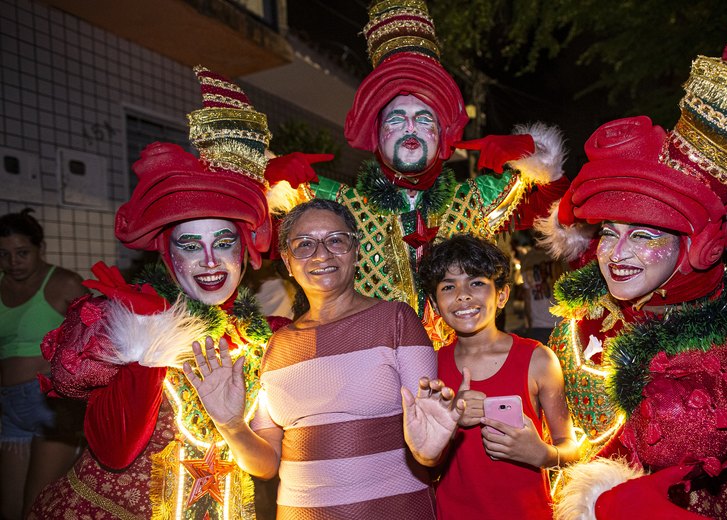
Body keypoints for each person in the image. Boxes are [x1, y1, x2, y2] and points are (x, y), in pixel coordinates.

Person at [537, 1, 727, 518]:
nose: (616, 253)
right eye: (610, 233)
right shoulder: (592, 305)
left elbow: (681, 437)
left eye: (643, 235)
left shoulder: (697, 327)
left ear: (692, 247)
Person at [29, 67, 282, 519]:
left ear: (244, 253)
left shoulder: (260, 339)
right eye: (191, 245)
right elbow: (115, 451)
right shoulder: (132, 325)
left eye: (223, 243)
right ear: (169, 257)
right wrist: (148, 344)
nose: (209, 260)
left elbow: (265, 467)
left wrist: (230, 424)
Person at [267, 0, 568, 345]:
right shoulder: (337, 205)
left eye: (424, 119)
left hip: (462, 374)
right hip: (371, 375)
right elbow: (251, 227)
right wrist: (268, 181)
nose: (411, 128)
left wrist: (537, 158)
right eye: (396, 119)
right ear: (376, 135)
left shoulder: (474, 198)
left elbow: (560, 208)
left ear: (441, 136)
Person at [184, 198, 464, 519]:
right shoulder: (277, 345)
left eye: (335, 241)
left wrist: (429, 453)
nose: (322, 254)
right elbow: (265, 466)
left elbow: (428, 441)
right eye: (304, 245)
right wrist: (231, 425)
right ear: (288, 264)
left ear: (356, 251)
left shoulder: (396, 321)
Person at [416, 234, 577, 519]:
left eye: (476, 283)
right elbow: (427, 466)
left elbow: (571, 448)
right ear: (435, 303)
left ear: (501, 295)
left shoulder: (538, 360)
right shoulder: (429, 368)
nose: (463, 295)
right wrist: (450, 425)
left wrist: (543, 455)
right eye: (448, 286)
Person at [0, 209, 87, 519]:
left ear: (40, 248)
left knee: (36, 509)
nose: (13, 262)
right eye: (4, 255)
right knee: (9, 509)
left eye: (22, 253)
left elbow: (95, 337)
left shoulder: (64, 283)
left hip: (51, 407)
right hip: (10, 409)